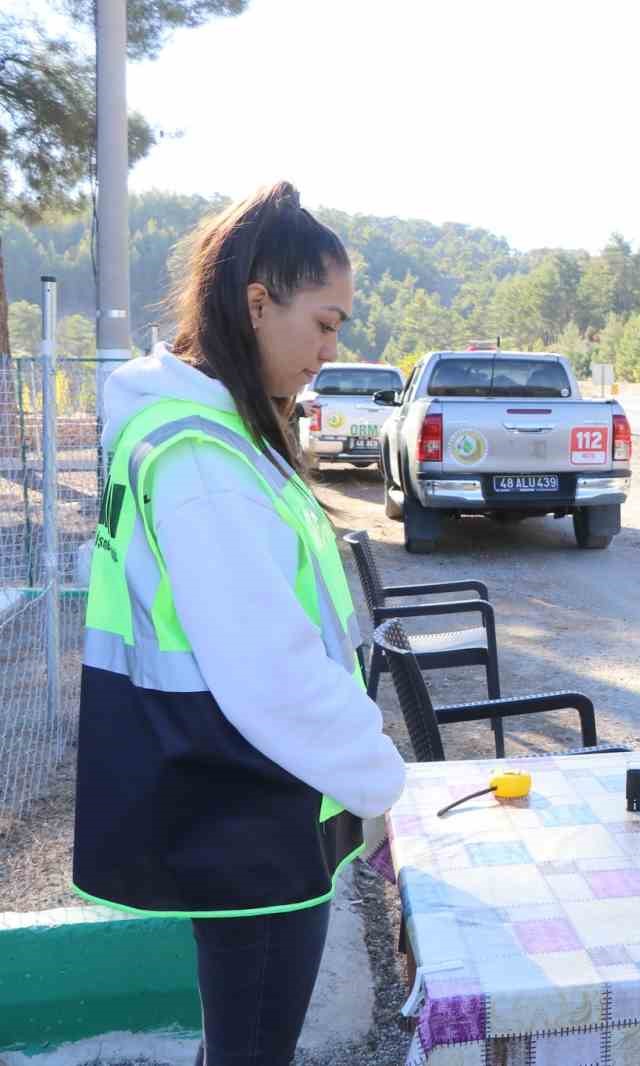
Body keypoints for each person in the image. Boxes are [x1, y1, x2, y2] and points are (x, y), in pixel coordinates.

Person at [72, 183, 406, 1066]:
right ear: (258, 304)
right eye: (325, 323)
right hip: (244, 807)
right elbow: (270, 669)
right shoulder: (201, 457)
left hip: (236, 794)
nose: (332, 350)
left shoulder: (204, 430)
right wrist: (385, 783)